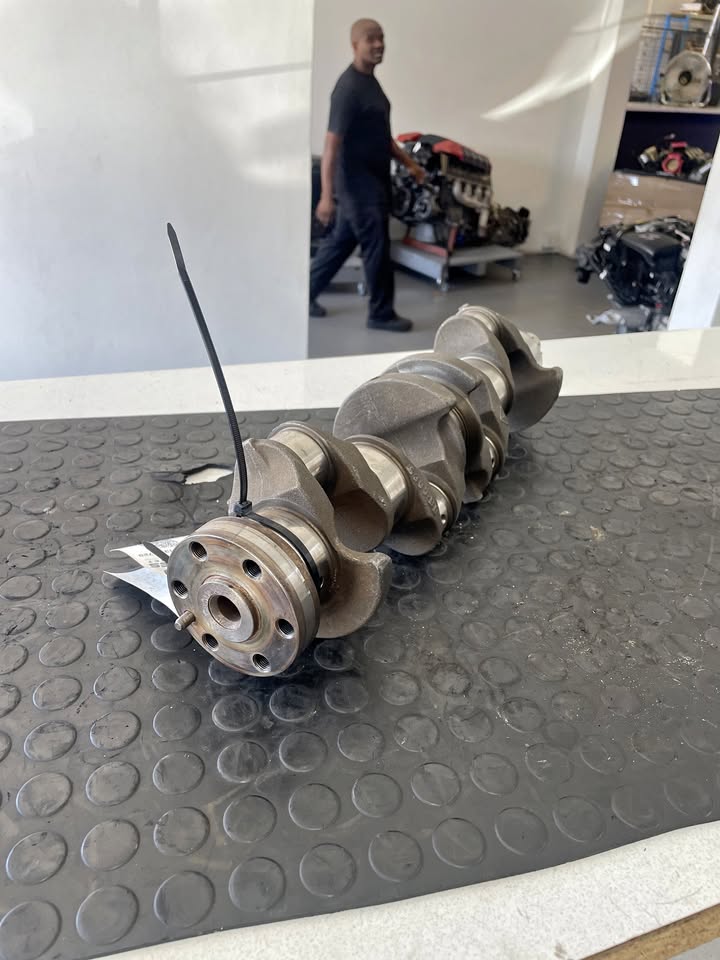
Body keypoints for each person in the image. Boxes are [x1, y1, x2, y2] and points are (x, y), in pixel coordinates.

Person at [309, 18, 425, 332]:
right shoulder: (347, 89)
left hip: (373, 181)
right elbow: (331, 146)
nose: (378, 44)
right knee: (377, 248)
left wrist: (410, 164)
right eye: (370, 39)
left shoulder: (370, 83)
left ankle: (304, 294)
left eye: (381, 38)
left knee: (341, 243)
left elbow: (382, 136)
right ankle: (381, 313)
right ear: (354, 45)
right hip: (358, 187)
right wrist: (326, 197)